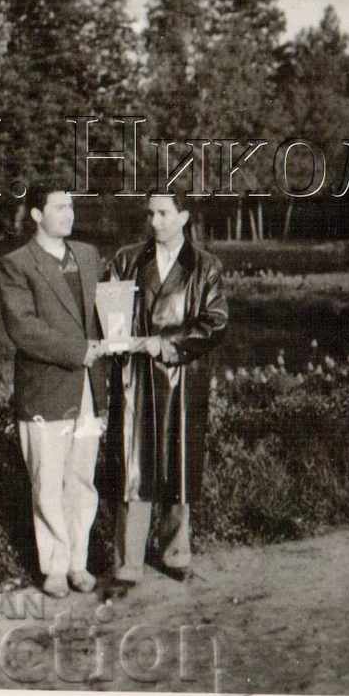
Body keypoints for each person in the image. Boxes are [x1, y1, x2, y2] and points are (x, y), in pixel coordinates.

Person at [104, 189, 228, 598]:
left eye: (163, 213)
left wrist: (166, 343)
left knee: (179, 465)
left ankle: (176, 555)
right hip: (135, 378)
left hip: (181, 378)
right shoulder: (126, 260)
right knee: (133, 469)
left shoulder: (205, 266)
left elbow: (215, 322)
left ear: (184, 216)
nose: (154, 221)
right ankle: (128, 564)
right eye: (150, 213)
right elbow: (109, 312)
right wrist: (120, 335)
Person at [0, 182, 111, 599]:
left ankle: (79, 564)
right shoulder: (16, 264)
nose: (70, 213)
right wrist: (79, 351)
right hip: (45, 390)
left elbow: (107, 311)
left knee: (81, 479)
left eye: (72, 206)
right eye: (60, 207)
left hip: (88, 390)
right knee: (47, 483)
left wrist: (117, 336)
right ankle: (55, 568)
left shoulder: (87, 256)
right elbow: (24, 329)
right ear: (37, 215)